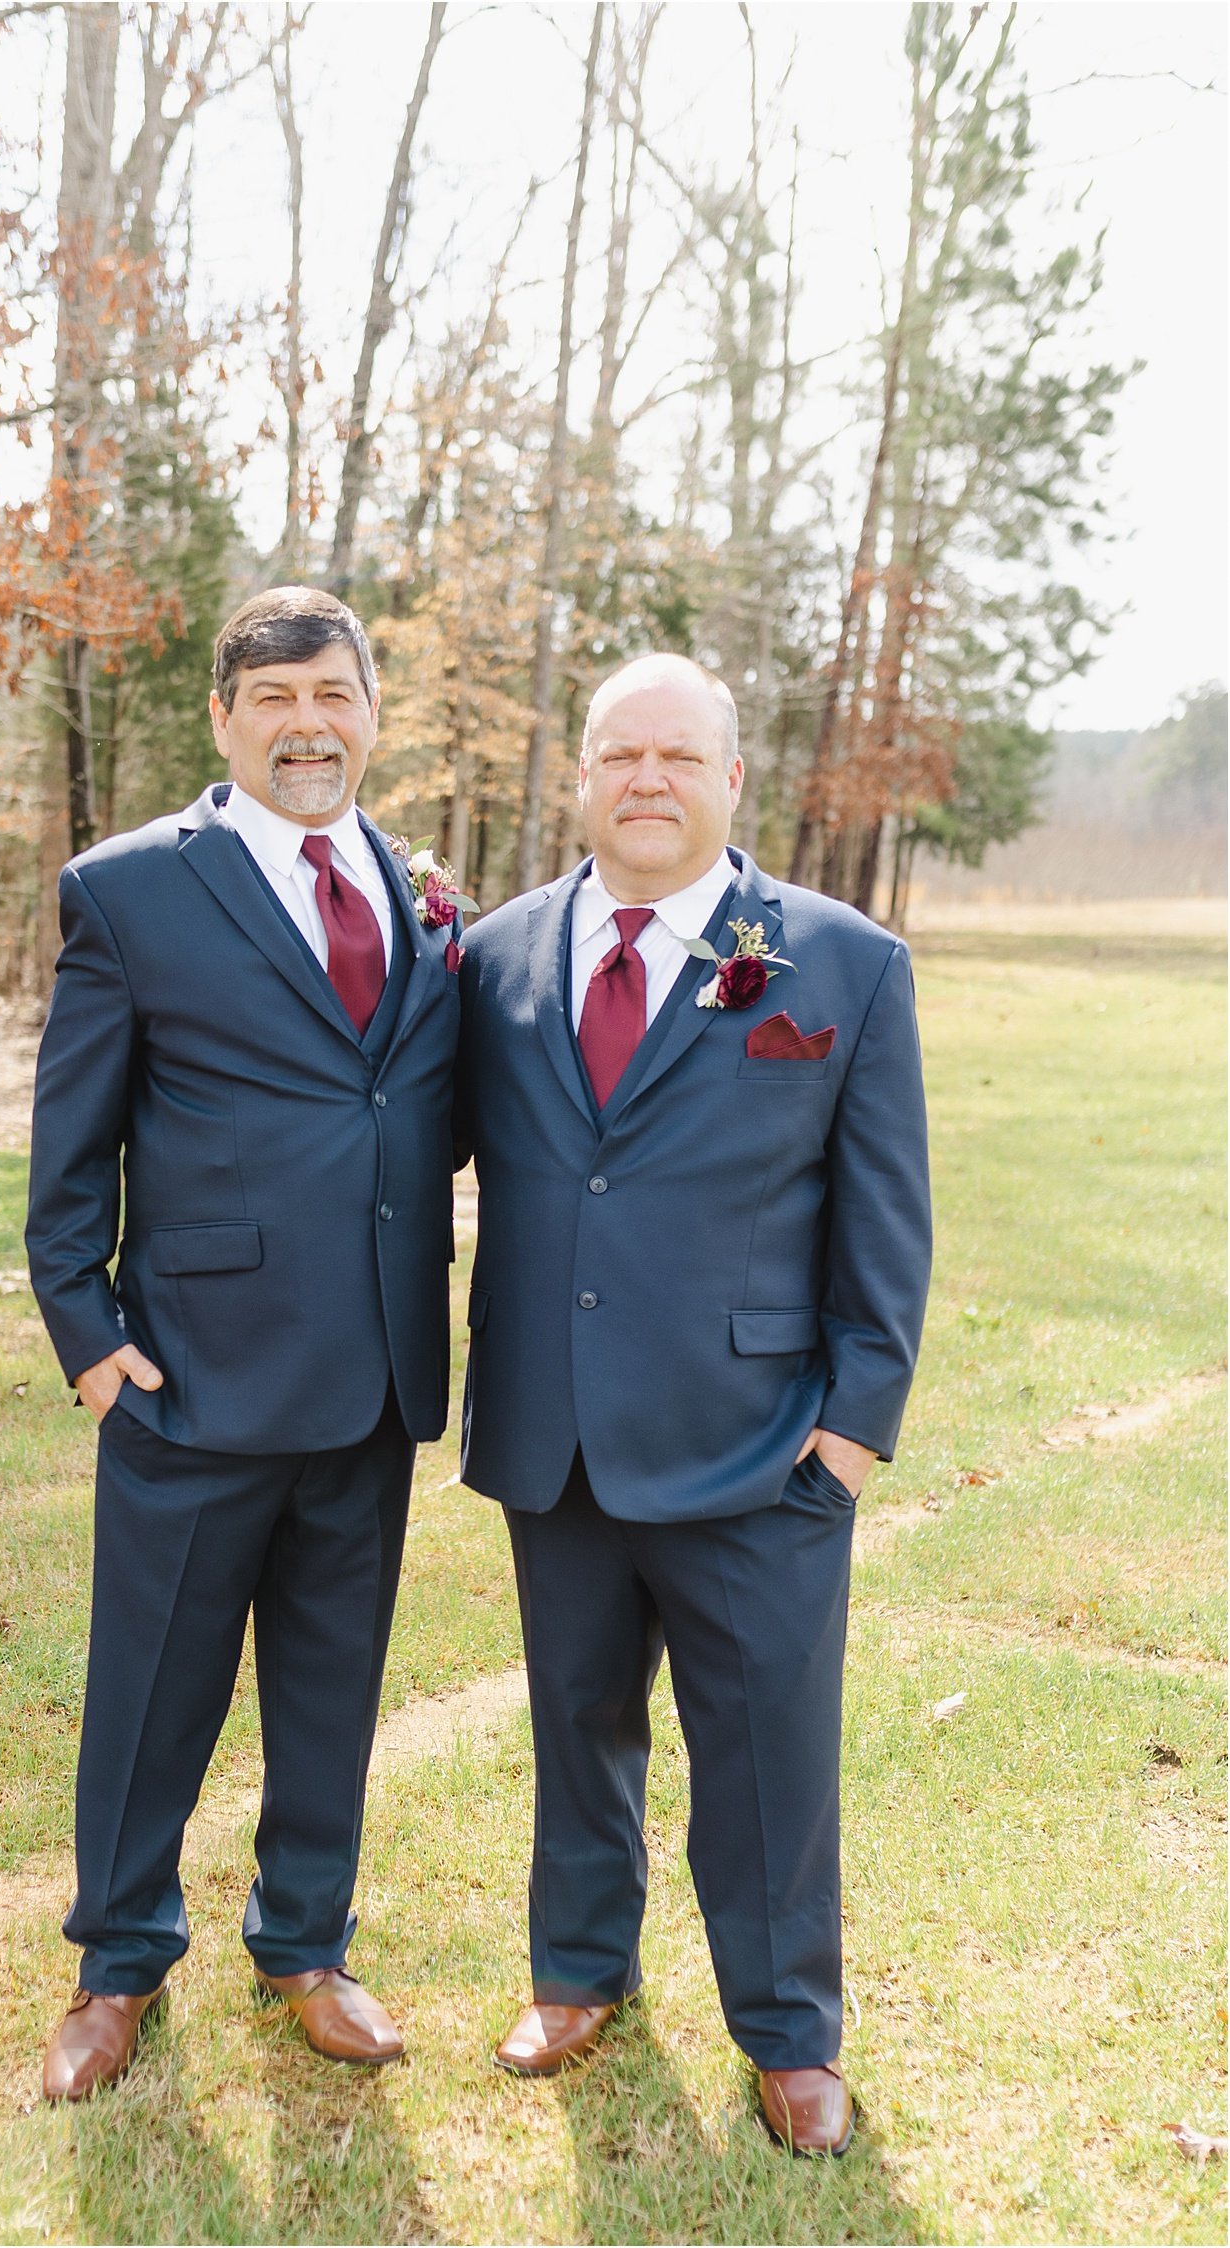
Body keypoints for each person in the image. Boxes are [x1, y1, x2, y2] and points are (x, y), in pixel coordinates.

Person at [455, 653, 930, 2154]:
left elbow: (886, 1218)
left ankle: (790, 2031)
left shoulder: (839, 965)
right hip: (559, 1432)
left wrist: (851, 1430)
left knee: (766, 1751)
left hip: (760, 1444)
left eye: (678, 756)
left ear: (733, 782)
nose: (646, 779)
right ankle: (578, 1974)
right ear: (581, 779)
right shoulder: (496, 960)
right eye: (618, 755)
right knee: (577, 1720)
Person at [26, 587, 461, 2101]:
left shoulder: (413, 893)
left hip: (373, 1378)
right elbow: (71, 1148)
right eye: (274, 700)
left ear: (371, 713)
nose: (307, 726)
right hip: (192, 1379)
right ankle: (118, 1963)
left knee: (333, 1687)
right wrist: (89, 1338)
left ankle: (308, 1944)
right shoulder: (130, 890)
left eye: (333, 695)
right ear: (223, 719)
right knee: (153, 1689)